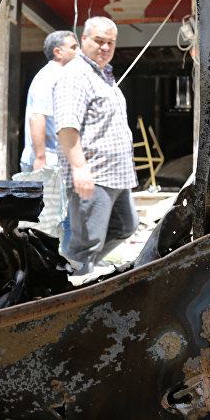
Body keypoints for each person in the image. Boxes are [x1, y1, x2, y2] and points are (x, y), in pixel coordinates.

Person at [53, 16, 138, 275]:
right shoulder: (75, 74)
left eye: (110, 43)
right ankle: (70, 284)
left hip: (115, 175)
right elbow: (67, 126)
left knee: (126, 226)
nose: (105, 47)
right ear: (84, 40)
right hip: (94, 173)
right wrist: (80, 169)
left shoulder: (103, 75)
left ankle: (78, 270)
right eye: (99, 41)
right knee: (87, 242)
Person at [20, 30, 79, 172]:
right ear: (58, 52)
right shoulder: (49, 77)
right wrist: (40, 159)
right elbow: (37, 117)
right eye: (73, 47)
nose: (79, 52)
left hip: (56, 159)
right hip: (47, 161)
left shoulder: (63, 76)